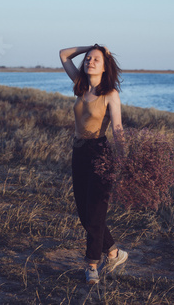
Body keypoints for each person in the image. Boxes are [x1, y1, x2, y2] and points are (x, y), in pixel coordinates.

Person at [59, 44, 128, 284]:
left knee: (96, 212)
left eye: (96, 59)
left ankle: (91, 266)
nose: (90, 61)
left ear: (105, 65)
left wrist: (124, 159)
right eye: (88, 58)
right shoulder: (80, 85)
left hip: (100, 153)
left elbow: (117, 129)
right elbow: (63, 54)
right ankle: (114, 253)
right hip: (78, 153)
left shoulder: (110, 94)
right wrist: (91, 46)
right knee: (85, 213)